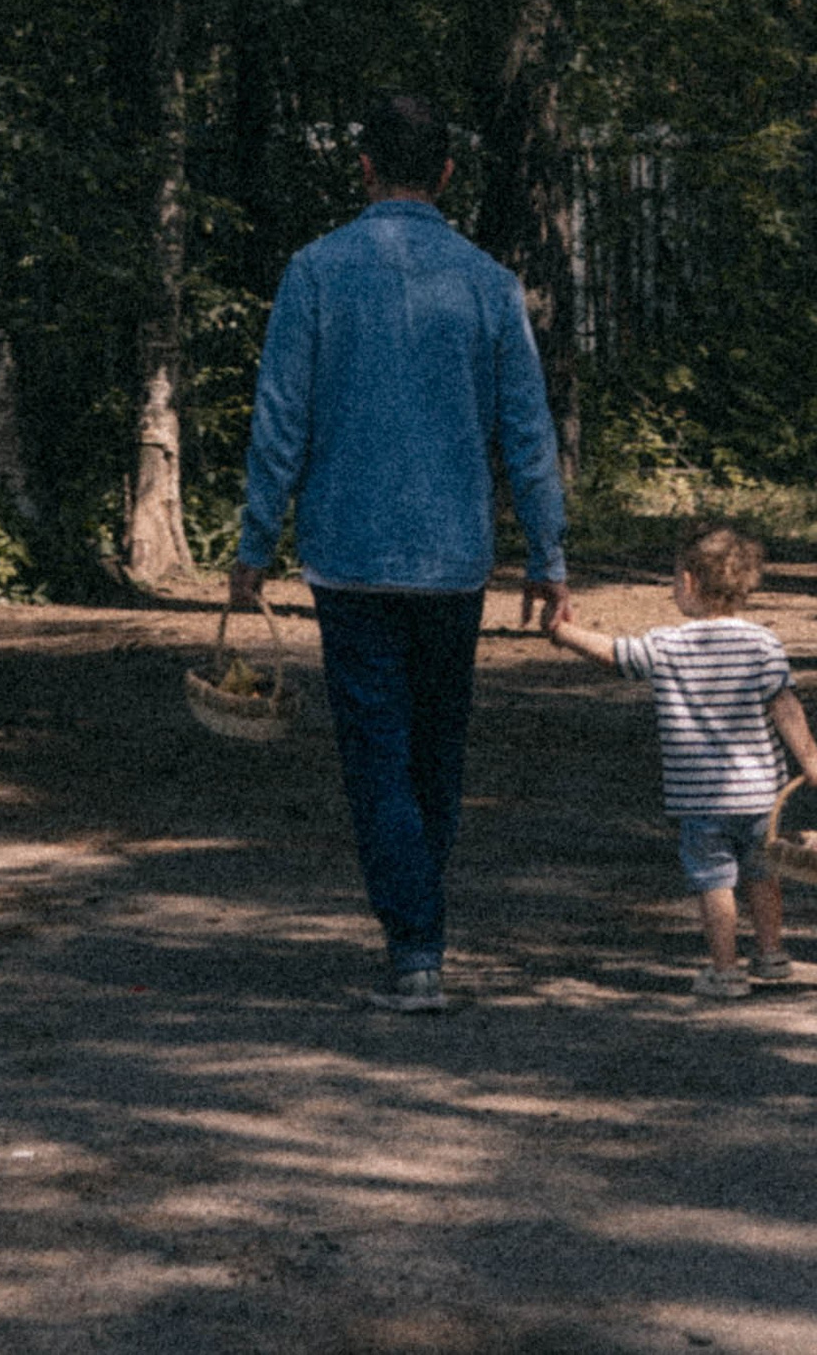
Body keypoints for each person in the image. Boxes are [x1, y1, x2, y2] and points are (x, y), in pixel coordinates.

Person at [227, 90, 566, 1012]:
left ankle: (415, 944)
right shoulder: (488, 283)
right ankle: (420, 931)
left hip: (349, 552)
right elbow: (526, 429)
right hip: (453, 556)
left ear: (366, 167)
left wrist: (256, 542)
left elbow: (281, 419)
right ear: (447, 174)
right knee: (436, 754)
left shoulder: (315, 272)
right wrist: (547, 554)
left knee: (377, 755)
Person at [546, 521, 817, 998]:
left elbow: (615, 655)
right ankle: (771, 954)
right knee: (763, 872)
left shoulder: (667, 644)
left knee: (714, 882)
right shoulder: (763, 643)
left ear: (688, 582)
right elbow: (784, 704)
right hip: (762, 794)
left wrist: (563, 632)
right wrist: (811, 757)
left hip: (701, 799)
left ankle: (725, 971)